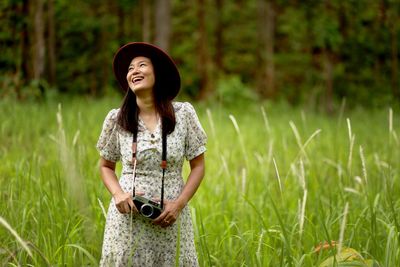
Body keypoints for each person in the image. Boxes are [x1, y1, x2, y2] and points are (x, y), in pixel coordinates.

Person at [96, 42, 207, 266]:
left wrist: (179, 204)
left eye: (142, 65)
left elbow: (199, 166)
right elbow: (105, 166)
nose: (134, 71)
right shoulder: (117, 119)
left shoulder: (183, 114)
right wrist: (118, 194)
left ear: (158, 73)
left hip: (171, 219)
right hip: (127, 223)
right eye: (130, 68)